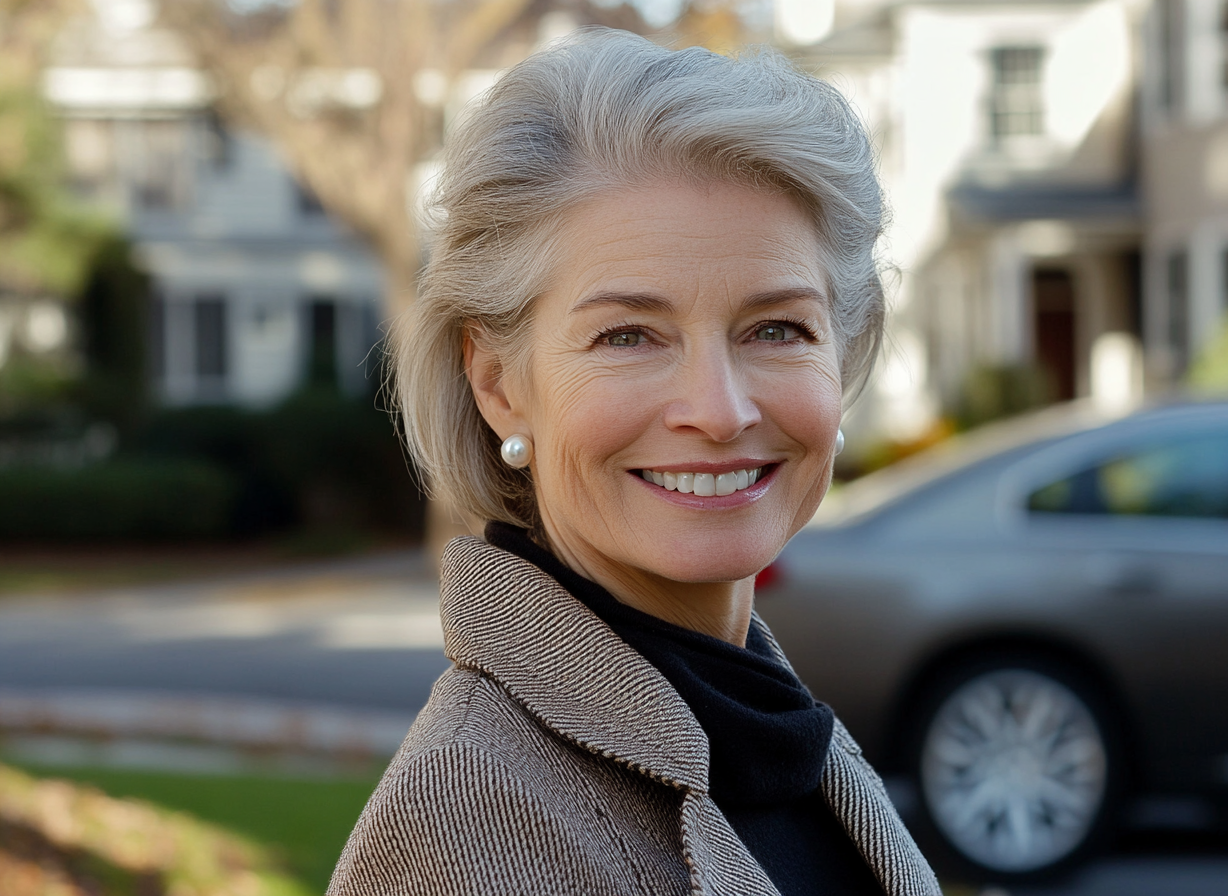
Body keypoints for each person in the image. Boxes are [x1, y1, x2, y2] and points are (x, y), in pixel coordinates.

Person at [328, 27, 939, 896]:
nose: (720, 412)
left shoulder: (766, 727)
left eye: (776, 329)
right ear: (499, 383)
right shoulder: (467, 819)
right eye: (628, 336)